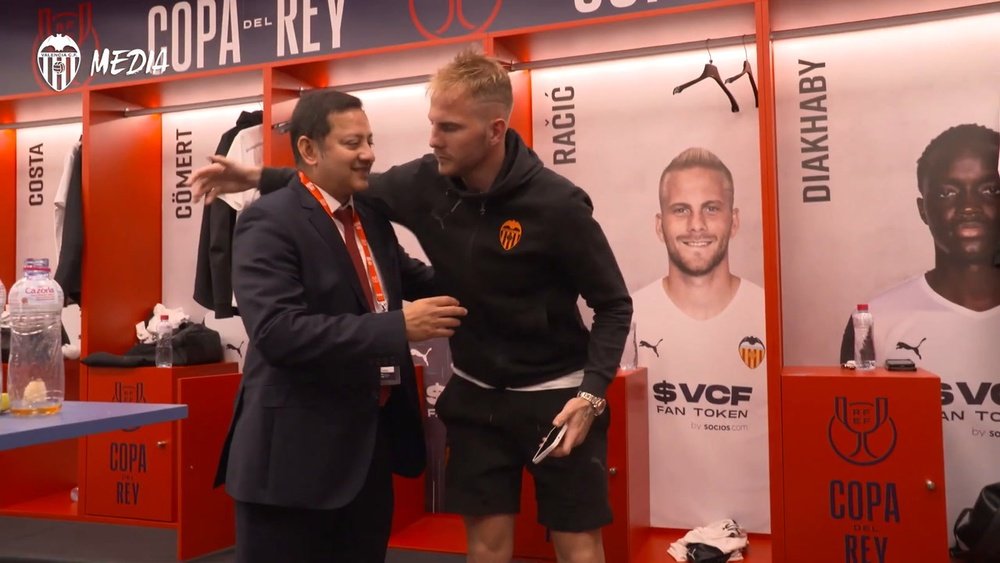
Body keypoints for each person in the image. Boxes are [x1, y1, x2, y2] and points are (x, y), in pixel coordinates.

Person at [193, 49, 632, 563]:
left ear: (494, 130)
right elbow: (329, 184)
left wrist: (592, 395)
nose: (431, 139)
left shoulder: (557, 204)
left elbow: (613, 304)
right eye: (432, 124)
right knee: (485, 544)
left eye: (448, 127)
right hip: (472, 397)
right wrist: (259, 178)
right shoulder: (417, 184)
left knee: (578, 543)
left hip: (554, 394)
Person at [215, 89, 468, 563]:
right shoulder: (266, 222)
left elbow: (416, 279)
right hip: (291, 467)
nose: (369, 154)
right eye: (354, 144)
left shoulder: (369, 215)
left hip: (366, 457)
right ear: (309, 149)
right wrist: (396, 328)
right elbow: (278, 332)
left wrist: (500, 263)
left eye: (370, 140)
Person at [839, 123, 1000, 534]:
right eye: (948, 193)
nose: (969, 206)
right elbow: (855, 454)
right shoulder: (874, 321)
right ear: (922, 208)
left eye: (988, 190)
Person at [631, 147, 770, 532]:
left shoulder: (772, 315)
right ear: (659, 225)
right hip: (654, 534)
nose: (696, 224)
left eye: (711, 208)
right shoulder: (627, 319)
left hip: (759, 535)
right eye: (681, 210)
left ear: (734, 220)